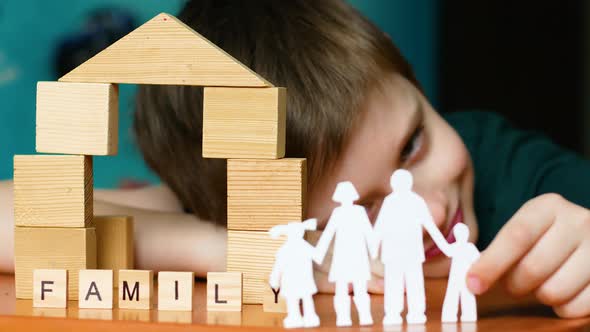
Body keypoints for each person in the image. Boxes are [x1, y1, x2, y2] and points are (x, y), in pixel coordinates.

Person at [2, 0, 590, 318]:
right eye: (356, 207)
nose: (433, 209)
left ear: (415, 87)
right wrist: (227, 247)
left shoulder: (517, 171)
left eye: (413, 143)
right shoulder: (237, 212)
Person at [373, 169, 451, 325]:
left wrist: (444, 245)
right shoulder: (391, 201)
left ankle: (416, 312)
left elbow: (429, 224)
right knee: (395, 283)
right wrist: (373, 248)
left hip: (411, 252)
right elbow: (380, 225)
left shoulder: (415, 201)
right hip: (394, 252)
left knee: (413, 283)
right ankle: (393, 313)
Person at [314, 181, 375, 326]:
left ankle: (365, 316)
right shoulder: (337, 213)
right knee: (342, 290)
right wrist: (319, 252)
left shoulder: (359, 212)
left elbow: (368, 232)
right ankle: (343, 317)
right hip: (342, 256)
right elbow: (328, 233)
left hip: (358, 255)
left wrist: (374, 250)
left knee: (360, 289)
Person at [269, 219, 320, 329]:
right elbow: (318, 255)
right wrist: (274, 278)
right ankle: (299, 317)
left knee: (300, 300)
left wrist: (274, 278)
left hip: (298, 279)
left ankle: (305, 317)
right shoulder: (296, 248)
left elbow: (278, 266)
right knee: (299, 300)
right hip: (296, 280)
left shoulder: (287, 249)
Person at [441, 223, 480, 323]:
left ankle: (468, 315)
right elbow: (445, 249)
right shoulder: (456, 247)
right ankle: (449, 316)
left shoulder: (470, 247)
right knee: (452, 296)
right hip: (455, 277)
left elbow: (478, 259)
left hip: (466, 276)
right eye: (458, 233)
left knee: (467, 295)